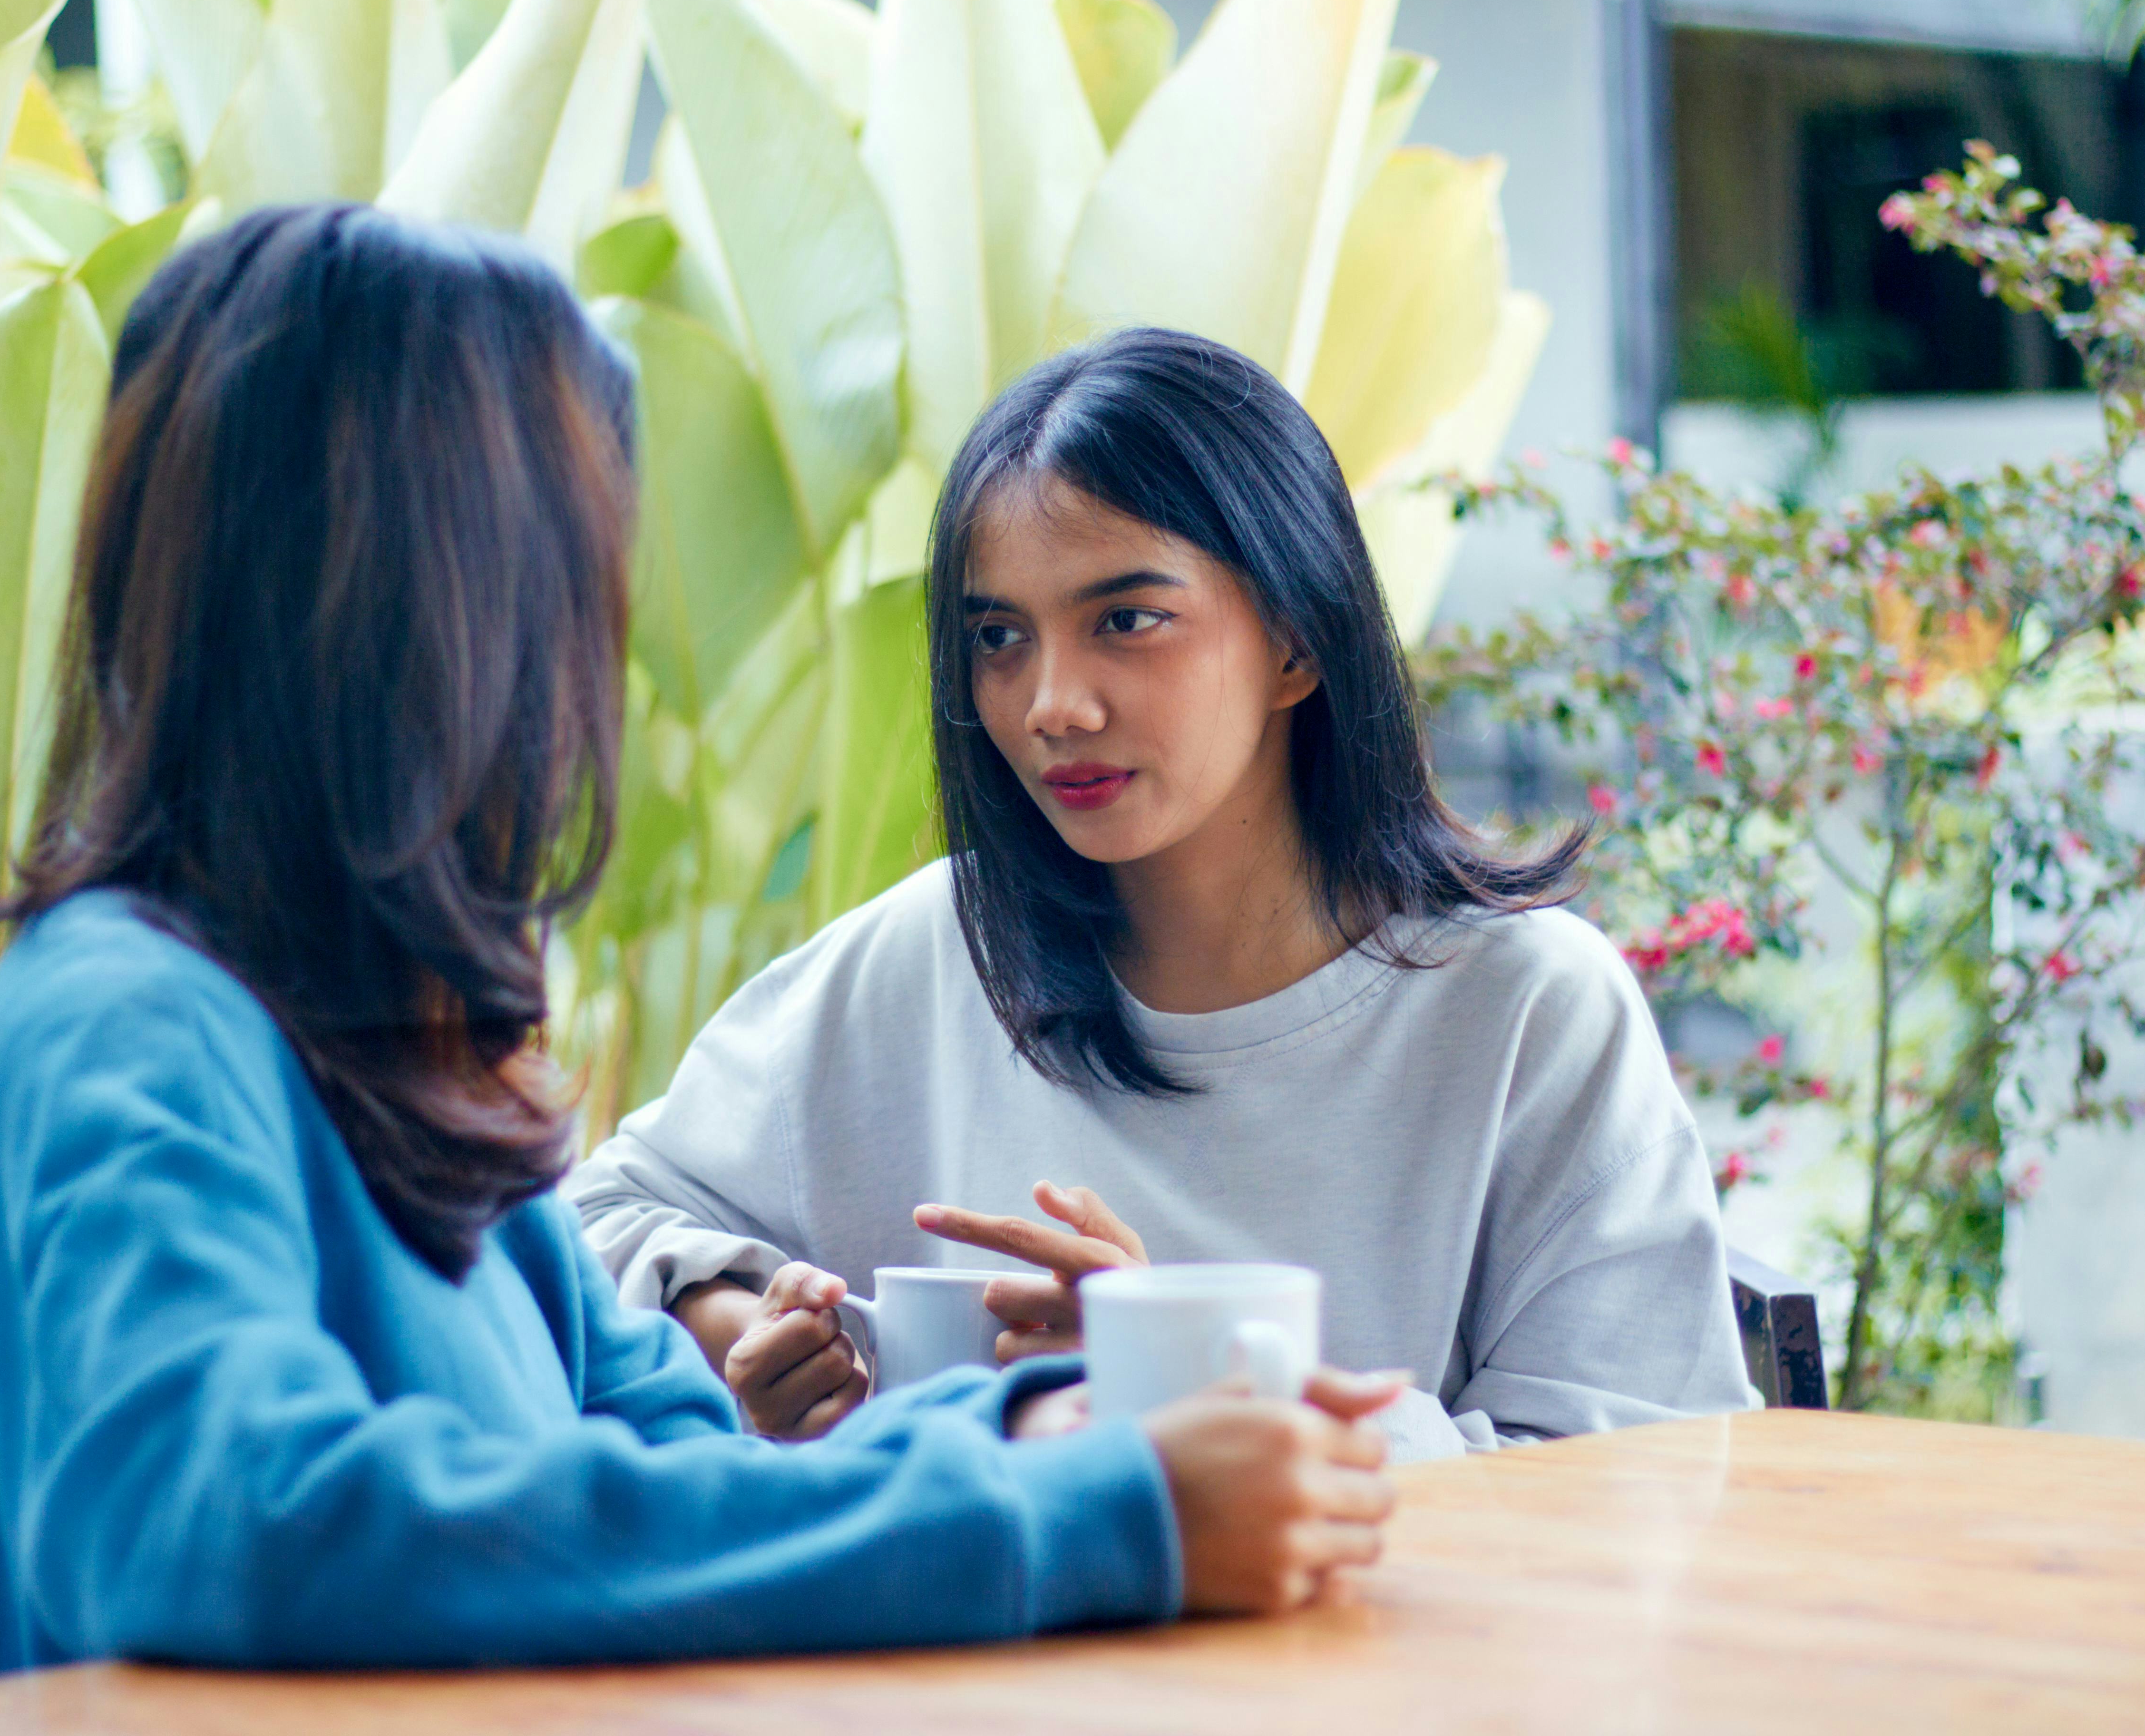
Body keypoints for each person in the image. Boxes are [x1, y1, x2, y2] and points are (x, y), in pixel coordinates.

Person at [0, 212, 1402, 1687]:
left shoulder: (405, 1047)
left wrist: (1050, 1436)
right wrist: (1091, 1518)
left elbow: (676, 1462)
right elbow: (223, 1526)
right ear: (433, 609)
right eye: (573, 569)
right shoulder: (129, 1018)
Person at [566, 327, 1755, 1451]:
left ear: (1297, 637)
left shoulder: (1525, 1011)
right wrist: (738, 1325)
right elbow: (583, 1225)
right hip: (975, 1652)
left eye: (1127, 619)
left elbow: (1639, 1480)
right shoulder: (933, 953)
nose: (1052, 703)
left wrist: (1186, 1374)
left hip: (1378, 1670)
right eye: (998, 638)